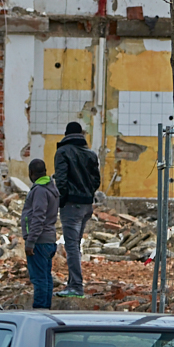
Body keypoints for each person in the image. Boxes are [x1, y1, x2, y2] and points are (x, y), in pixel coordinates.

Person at [53, 121, 100, 298]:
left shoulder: (62, 152)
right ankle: (73, 283)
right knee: (75, 245)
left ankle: (76, 287)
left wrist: (62, 200)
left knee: (71, 246)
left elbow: (61, 180)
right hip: (87, 205)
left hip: (72, 205)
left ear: (66, 134)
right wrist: (87, 194)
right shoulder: (90, 154)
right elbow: (96, 180)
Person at [22, 158, 59, 309]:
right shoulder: (50, 188)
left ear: (31, 173)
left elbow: (38, 217)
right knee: (46, 278)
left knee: (39, 279)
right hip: (48, 240)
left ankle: (40, 311)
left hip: (40, 242)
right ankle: (46, 309)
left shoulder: (40, 191)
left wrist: (30, 241)